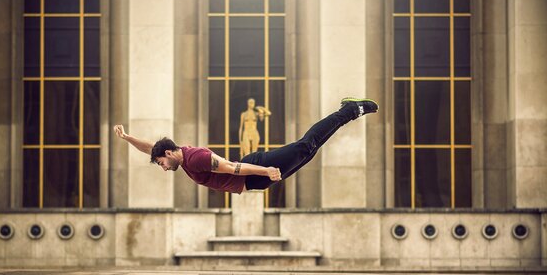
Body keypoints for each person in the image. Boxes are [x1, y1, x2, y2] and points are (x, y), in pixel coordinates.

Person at [113, 97, 378, 194]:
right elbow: (151, 147)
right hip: (257, 177)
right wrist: (127, 138)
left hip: (256, 171)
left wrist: (267, 171)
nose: (162, 167)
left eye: (161, 163)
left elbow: (232, 168)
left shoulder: (194, 160)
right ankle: (347, 112)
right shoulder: (180, 155)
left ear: (169, 154)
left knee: (305, 146)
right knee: (309, 149)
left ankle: (349, 111)